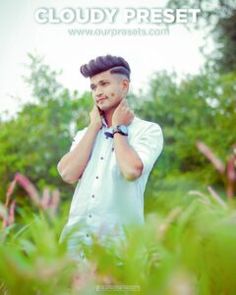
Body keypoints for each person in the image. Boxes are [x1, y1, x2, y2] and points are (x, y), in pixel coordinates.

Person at [57, 54, 164, 260]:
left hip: (119, 252)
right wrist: (94, 126)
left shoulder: (148, 130)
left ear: (124, 86)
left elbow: (131, 171)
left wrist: (119, 129)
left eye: (104, 84)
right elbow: (67, 174)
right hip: (73, 251)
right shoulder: (84, 134)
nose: (98, 92)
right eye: (94, 87)